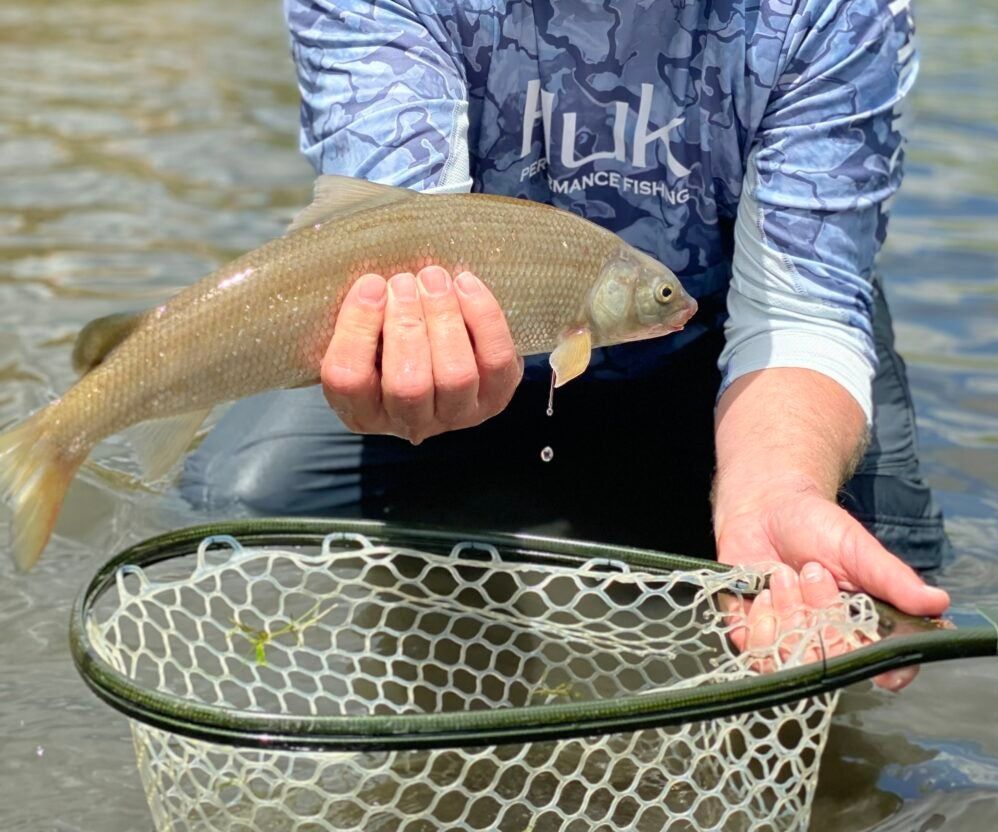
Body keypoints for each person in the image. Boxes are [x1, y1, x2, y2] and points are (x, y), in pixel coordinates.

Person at [181, 0, 952, 663]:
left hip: (735, 339)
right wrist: (405, 361)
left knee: (878, 597)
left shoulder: (837, 10)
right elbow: (396, 236)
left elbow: (798, 311)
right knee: (237, 507)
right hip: (492, 344)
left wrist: (776, 486)